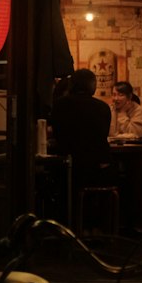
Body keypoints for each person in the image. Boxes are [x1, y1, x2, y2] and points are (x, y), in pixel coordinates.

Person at [48, 67, 113, 215]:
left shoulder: (60, 105)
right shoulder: (103, 107)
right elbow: (103, 134)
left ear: (72, 85)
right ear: (93, 86)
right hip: (98, 170)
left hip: (69, 168)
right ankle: (98, 226)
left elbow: (58, 135)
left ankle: (68, 224)